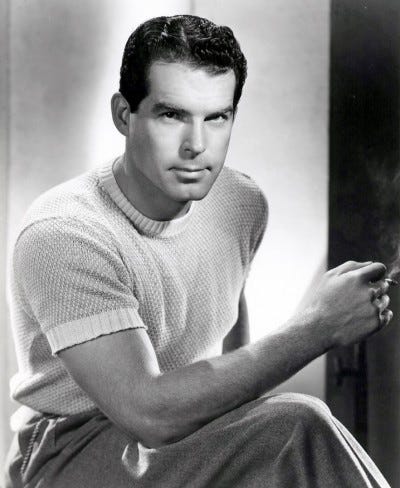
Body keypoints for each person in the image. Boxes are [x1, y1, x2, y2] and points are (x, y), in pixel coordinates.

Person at [5, 14, 393, 488]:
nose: (196, 146)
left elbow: (236, 355)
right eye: (172, 115)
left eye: (216, 117)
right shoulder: (64, 233)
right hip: (69, 451)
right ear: (124, 114)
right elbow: (148, 413)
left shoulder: (239, 202)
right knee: (297, 425)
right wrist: (316, 328)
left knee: (285, 430)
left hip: (181, 438)